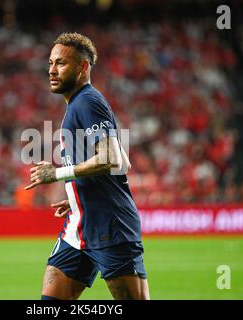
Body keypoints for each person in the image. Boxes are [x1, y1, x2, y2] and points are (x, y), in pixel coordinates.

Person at [25, 32, 150, 300]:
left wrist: (57, 174)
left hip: (110, 226)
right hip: (80, 225)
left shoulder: (88, 102)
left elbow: (111, 159)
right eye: (50, 63)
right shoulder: (79, 104)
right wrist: (77, 195)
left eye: (61, 64)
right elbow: (123, 162)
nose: (52, 70)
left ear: (82, 68)